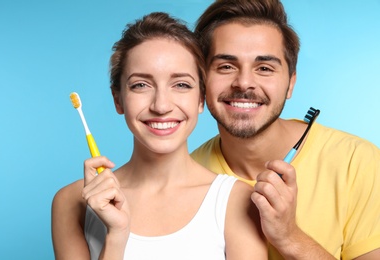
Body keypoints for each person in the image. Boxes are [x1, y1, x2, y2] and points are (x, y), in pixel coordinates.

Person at [51, 12, 267, 259]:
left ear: (200, 99)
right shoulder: (71, 202)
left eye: (181, 85)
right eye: (141, 85)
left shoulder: (239, 201)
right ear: (118, 99)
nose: (161, 105)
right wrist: (116, 236)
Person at [190, 0, 380, 259]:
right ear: (202, 81)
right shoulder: (186, 177)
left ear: (291, 83)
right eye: (226, 66)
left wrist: (289, 237)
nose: (244, 82)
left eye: (265, 68)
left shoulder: (358, 163)